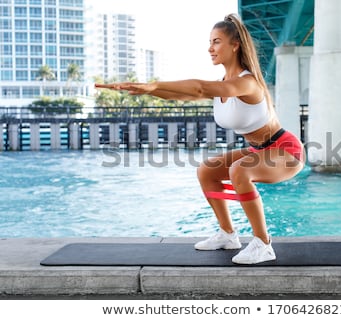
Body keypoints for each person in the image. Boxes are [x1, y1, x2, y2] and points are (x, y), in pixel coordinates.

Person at [95, 13, 305, 264]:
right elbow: (181, 96)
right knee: (208, 170)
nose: (210, 48)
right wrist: (143, 88)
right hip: (259, 150)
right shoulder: (223, 84)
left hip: (286, 150)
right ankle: (228, 235)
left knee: (240, 170)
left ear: (235, 45)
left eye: (216, 42)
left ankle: (263, 243)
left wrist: (152, 84)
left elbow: (199, 88)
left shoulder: (247, 83)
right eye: (210, 42)